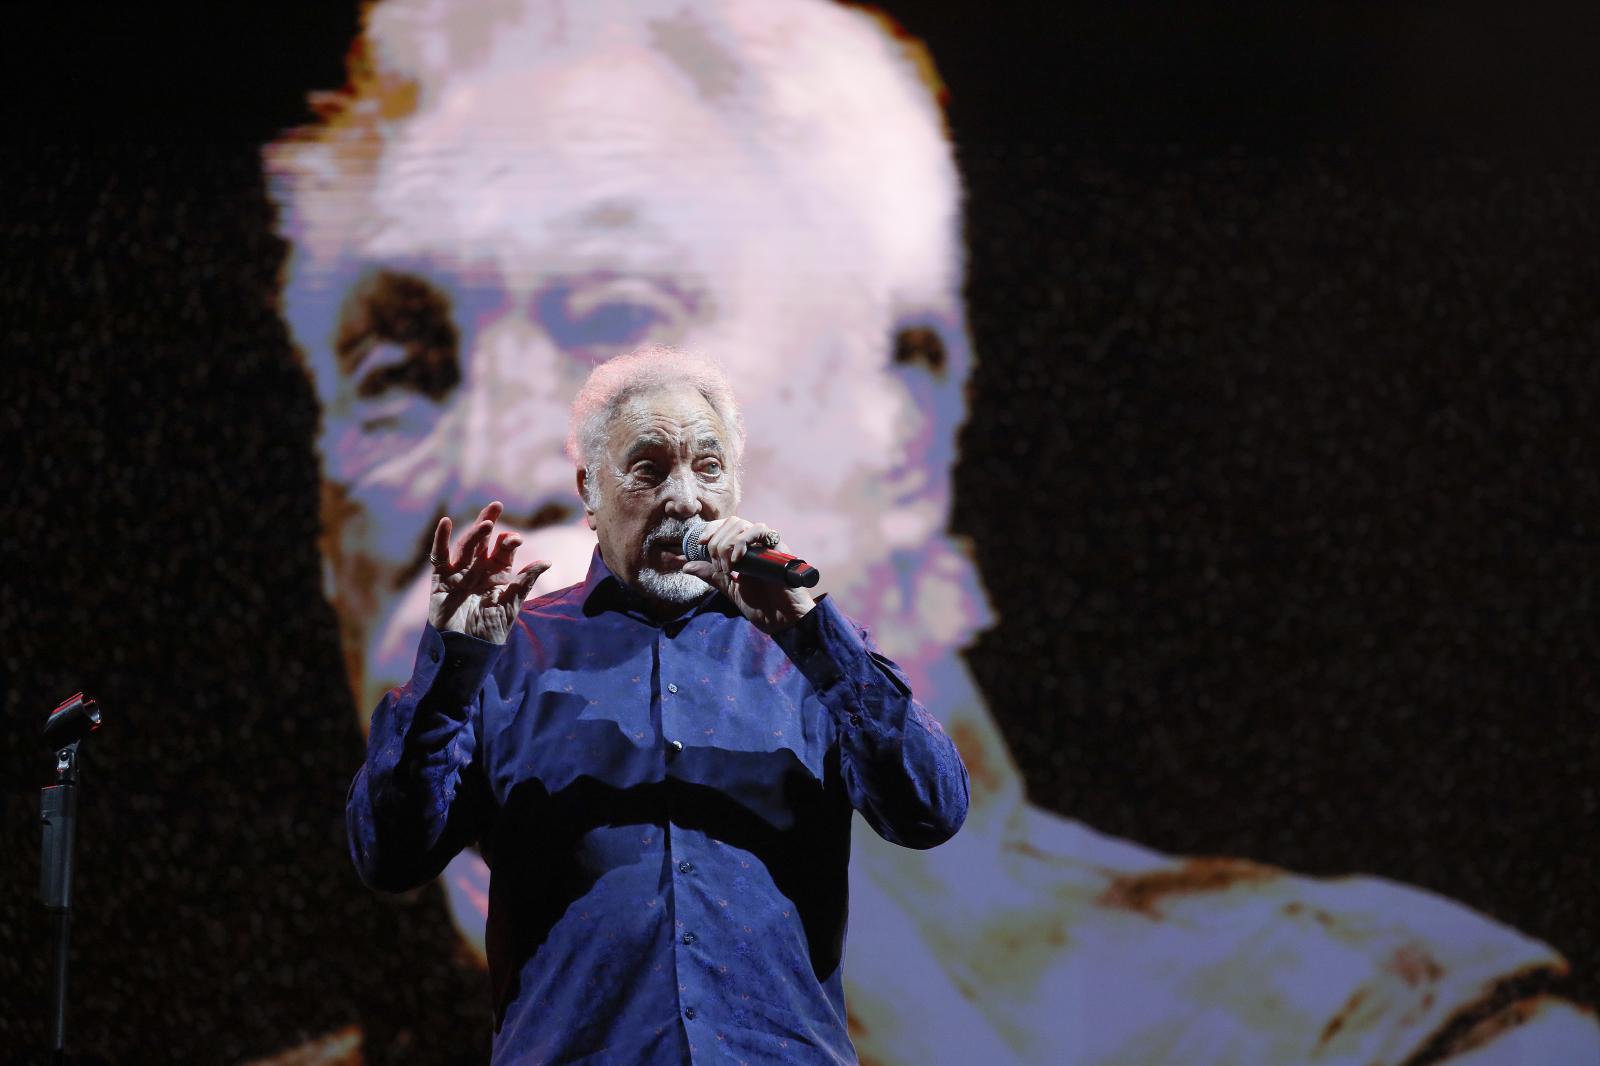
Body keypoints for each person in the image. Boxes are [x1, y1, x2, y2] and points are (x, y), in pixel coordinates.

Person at [267, 0, 1600, 1061]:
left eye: (613, 312)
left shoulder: (1371, 1030)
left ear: (898, 428)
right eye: (399, 368)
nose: (499, 444)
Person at [348, 347, 969, 1062]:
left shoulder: (807, 653)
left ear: (735, 487)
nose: (685, 499)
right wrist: (450, 675)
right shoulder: (509, 655)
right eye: (649, 468)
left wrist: (818, 635)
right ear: (588, 491)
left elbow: (930, 812)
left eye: (709, 467)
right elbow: (389, 856)